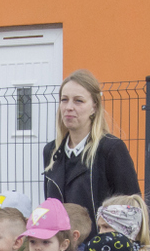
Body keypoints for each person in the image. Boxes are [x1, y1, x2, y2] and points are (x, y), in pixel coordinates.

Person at [42, 71, 140, 229]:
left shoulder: (110, 149)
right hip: (62, 248)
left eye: (78, 101)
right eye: (64, 100)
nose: (69, 107)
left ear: (94, 106)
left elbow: (132, 209)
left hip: (100, 248)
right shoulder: (52, 152)